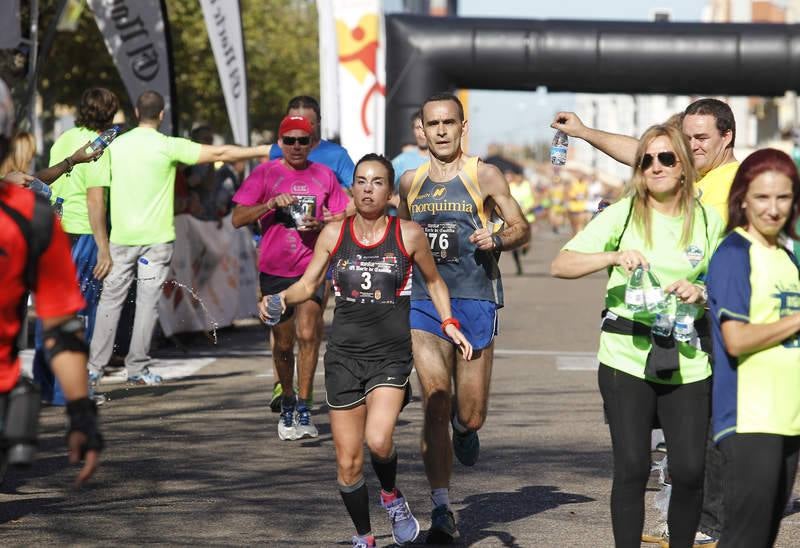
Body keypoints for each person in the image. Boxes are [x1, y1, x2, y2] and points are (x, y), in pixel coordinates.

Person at [261, 153, 472, 548]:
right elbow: (308, 286)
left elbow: (435, 282)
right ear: (352, 189)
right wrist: (279, 298)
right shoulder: (333, 234)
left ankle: (391, 496)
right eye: (361, 181)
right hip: (343, 357)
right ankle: (364, 536)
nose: (367, 188)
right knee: (348, 464)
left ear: (390, 192)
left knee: (378, 440)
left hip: (390, 356)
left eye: (377, 182)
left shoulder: (407, 234)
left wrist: (448, 323)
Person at [552, 98, 738, 546]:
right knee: (633, 467)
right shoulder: (625, 213)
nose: (655, 166)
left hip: (688, 357)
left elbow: (733, 283)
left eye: (666, 158)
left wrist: (704, 292)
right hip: (625, 357)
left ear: (682, 168)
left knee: (691, 470)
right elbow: (562, 264)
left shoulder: (711, 221)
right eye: (647, 160)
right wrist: (613, 255)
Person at [397, 92, 529, 543]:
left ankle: (464, 426)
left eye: (448, 123)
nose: (440, 131)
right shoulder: (409, 182)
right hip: (426, 304)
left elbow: (520, 226)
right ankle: (441, 508)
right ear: (422, 128)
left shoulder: (483, 174)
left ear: (461, 127)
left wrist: (497, 238)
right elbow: (399, 237)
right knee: (435, 400)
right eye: (432, 123)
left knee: (469, 416)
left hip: (475, 300)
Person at [87, 90, 271, 387]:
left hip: (121, 238)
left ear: (136, 112)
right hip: (158, 240)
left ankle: (94, 367)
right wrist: (262, 149)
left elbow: (95, 196)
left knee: (111, 301)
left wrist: (102, 245)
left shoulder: (114, 147)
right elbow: (222, 154)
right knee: (147, 304)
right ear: (161, 115)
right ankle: (138, 367)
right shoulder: (168, 146)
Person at [0, 77, 102, 486]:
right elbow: (61, 328)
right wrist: (81, 415)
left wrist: (81, 413)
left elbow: (62, 325)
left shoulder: (32, 215)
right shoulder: (31, 215)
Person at [232, 115, 350, 440]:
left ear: (312, 143)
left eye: (303, 141)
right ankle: (286, 397)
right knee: (283, 342)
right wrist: (268, 204)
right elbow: (237, 218)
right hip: (274, 269)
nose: (296, 147)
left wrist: (323, 222)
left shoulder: (324, 175)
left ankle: (304, 405)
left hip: (311, 268)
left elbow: (343, 213)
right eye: (290, 141)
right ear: (280, 143)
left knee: (310, 333)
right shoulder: (265, 173)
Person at [706, 148, 800, 548]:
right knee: (744, 539)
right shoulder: (734, 253)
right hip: (749, 418)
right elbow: (736, 338)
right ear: (743, 198)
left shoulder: (785, 255)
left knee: (763, 538)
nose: (773, 208)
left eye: (783, 197)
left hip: (788, 416)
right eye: (762, 197)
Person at [267, 95, 356, 412]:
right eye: (293, 121)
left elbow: (360, 194)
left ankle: (302, 389)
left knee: (309, 324)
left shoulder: (335, 155)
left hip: (320, 252)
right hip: (278, 252)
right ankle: (283, 383)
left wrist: (336, 216)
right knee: (279, 322)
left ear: (318, 125)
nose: (299, 130)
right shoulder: (279, 149)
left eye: (308, 123)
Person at [32, 87, 119, 405]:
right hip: (82, 235)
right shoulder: (98, 147)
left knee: (49, 309)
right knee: (79, 313)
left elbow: (48, 181)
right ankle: (69, 390)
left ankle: (45, 385)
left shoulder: (64, 140)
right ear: (109, 115)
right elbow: (95, 198)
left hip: (54, 231)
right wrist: (104, 246)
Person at [269, 95, 355, 189]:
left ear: (319, 121)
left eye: (308, 124)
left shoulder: (337, 154)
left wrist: (334, 192)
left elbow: (357, 192)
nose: (301, 129)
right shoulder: (276, 151)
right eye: (295, 123)